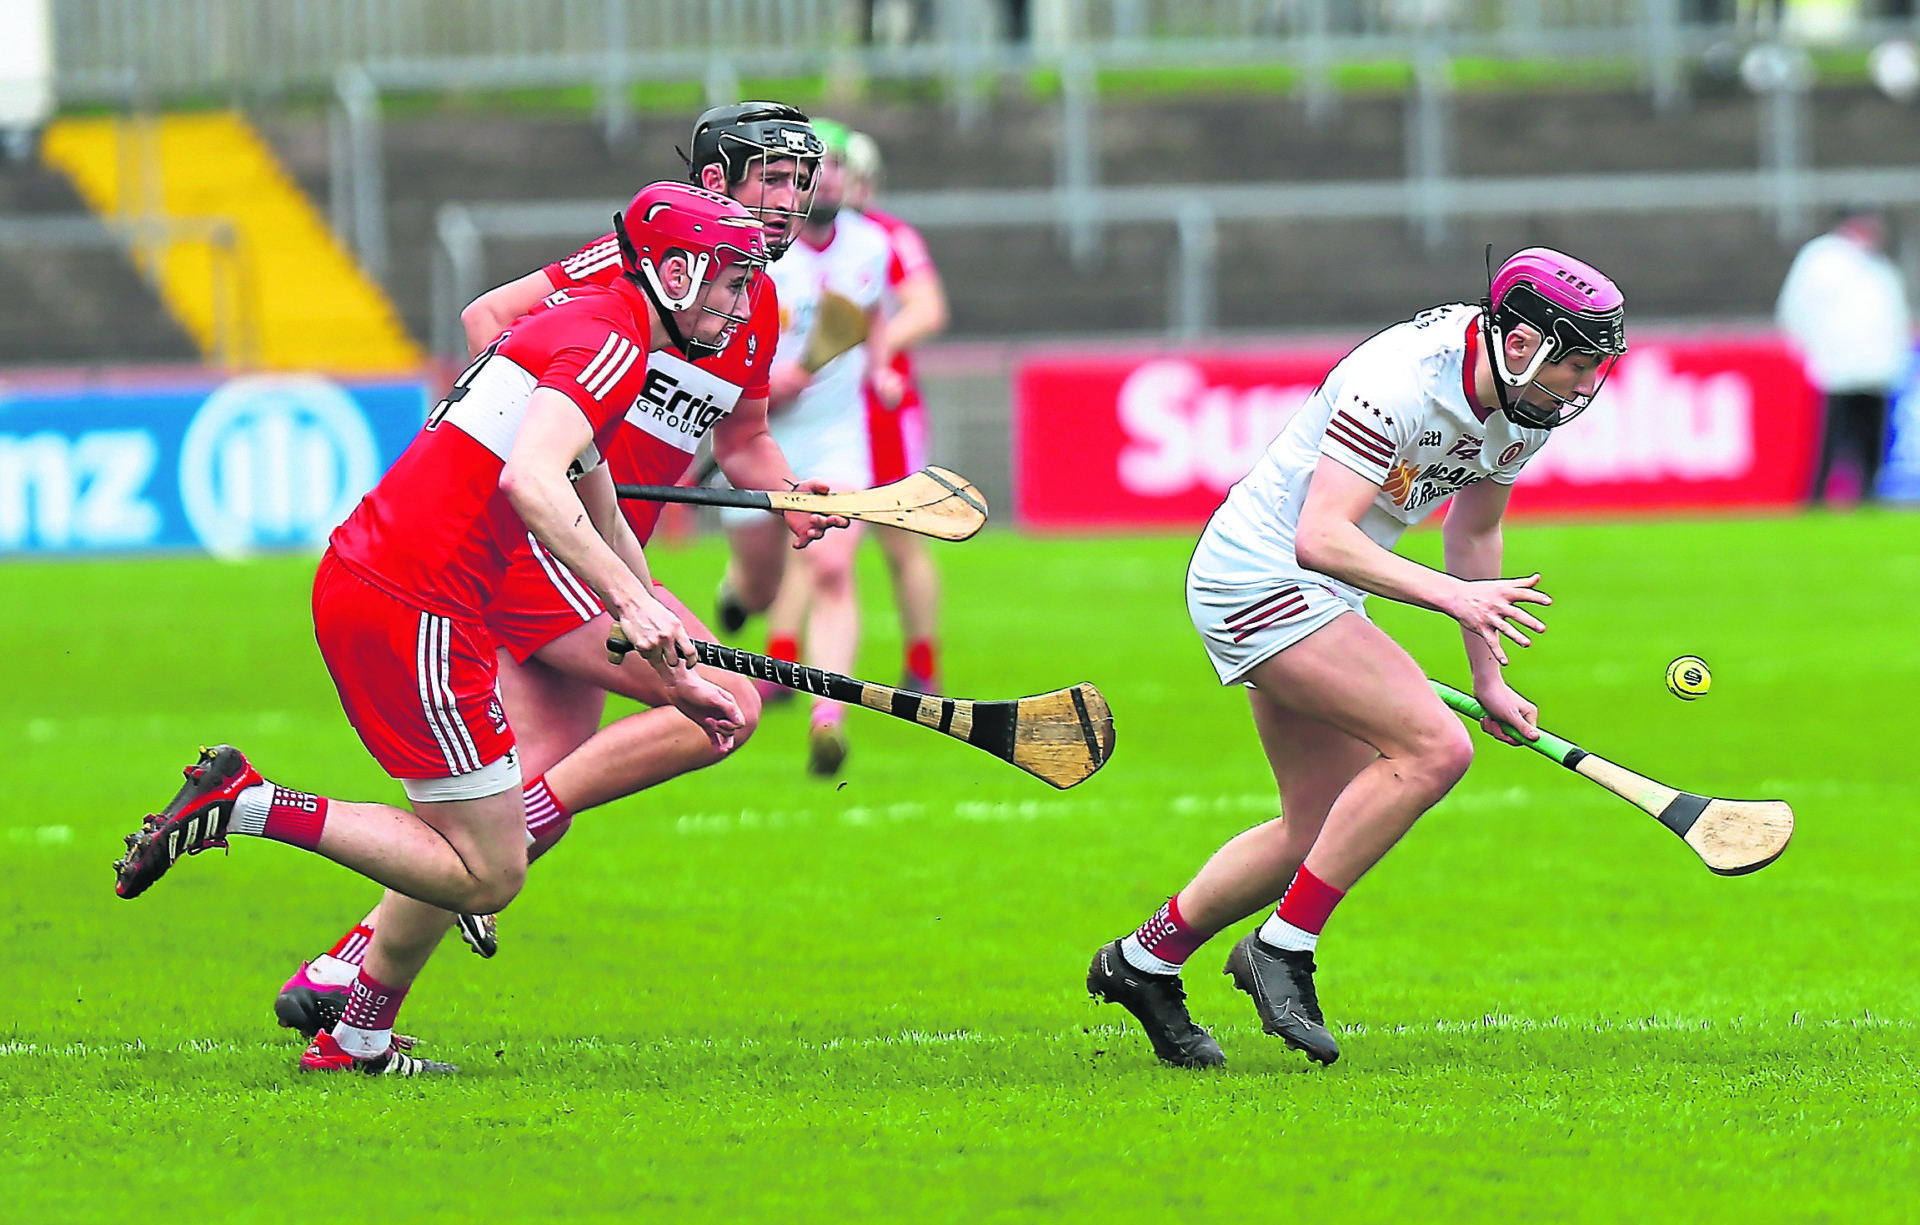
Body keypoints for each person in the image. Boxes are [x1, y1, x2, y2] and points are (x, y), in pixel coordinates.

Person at [113, 184, 787, 1077]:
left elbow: (601, 502)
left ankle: (355, 1035)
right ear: (674, 269)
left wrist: (664, 628)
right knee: (486, 870)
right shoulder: (612, 339)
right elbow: (533, 484)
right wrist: (630, 608)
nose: (741, 305)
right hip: (414, 599)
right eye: (730, 282)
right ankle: (246, 802)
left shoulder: (601, 320)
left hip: (402, 590)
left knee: (464, 843)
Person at [270, 104, 848, 1040]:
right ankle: (487, 857)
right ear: (712, 186)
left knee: (500, 803)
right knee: (724, 706)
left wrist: (789, 493)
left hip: (604, 544)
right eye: (768, 181)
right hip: (547, 546)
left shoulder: (750, 304)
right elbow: (491, 317)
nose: (787, 203)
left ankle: (350, 989)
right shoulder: (637, 275)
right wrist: (537, 430)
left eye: (797, 184)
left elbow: (746, 441)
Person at [1086, 248, 1627, 1069]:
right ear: (1523, 343)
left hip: (1324, 587)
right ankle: (1282, 950)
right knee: (1435, 749)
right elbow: (1321, 535)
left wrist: (1490, 678)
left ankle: (1143, 961)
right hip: (1261, 575)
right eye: (1578, 363)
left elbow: (1472, 532)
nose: (1585, 386)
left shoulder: (1524, 407)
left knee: (1317, 827)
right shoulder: (1403, 380)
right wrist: (1450, 598)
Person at [714, 117, 892, 776]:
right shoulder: (747, 254)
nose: (825, 181)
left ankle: (828, 717)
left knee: (831, 569)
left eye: (833, 168)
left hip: (837, 439)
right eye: (805, 172)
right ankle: (738, 589)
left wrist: (882, 366)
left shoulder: (871, 247)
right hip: (756, 436)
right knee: (762, 586)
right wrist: (761, 387)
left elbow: (875, 320)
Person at [844, 129, 951, 693]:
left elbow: (927, 308)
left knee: (900, 538)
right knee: (814, 545)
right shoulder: (797, 240)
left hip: (882, 407)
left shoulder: (888, 236)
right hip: (825, 409)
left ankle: (922, 665)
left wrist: (867, 350)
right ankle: (791, 663)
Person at [1775, 203, 1914, 505]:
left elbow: (1892, 315)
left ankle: (1867, 496)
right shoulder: (1823, 259)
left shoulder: (1878, 266)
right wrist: (1811, 350)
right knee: (1833, 438)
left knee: (1871, 439)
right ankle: (1817, 497)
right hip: (1838, 367)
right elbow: (1797, 308)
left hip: (1877, 368)